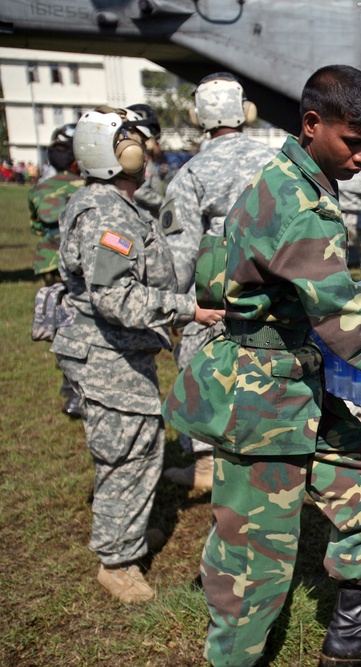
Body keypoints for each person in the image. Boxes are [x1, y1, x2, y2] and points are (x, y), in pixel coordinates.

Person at [162, 64, 361, 667]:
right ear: (312, 124)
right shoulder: (299, 205)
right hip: (260, 400)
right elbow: (349, 331)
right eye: (354, 141)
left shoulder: (299, 179)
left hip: (293, 387)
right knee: (254, 567)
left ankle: (348, 632)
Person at [52, 106, 224, 603]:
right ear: (113, 154)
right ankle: (117, 562)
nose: (144, 151)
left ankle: (124, 536)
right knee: (125, 453)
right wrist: (186, 309)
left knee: (142, 445)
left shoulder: (112, 204)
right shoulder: (107, 212)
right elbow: (115, 297)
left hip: (121, 353)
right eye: (133, 142)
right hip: (107, 354)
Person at [160, 72, 276, 491]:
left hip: (213, 301)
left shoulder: (190, 174)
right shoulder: (276, 163)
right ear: (247, 112)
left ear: (197, 116)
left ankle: (207, 462)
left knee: (200, 371)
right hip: (271, 295)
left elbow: (181, 254)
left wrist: (174, 307)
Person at [28, 123, 86, 417]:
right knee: (82, 327)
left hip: (49, 265)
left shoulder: (39, 190)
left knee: (60, 327)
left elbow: (36, 225)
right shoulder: (87, 188)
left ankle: (69, 388)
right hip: (78, 266)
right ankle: (80, 390)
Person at [127, 103, 166, 218]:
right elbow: (140, 192)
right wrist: (164, 203)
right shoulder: (139, 161)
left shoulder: (146, 160)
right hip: (144, 216)